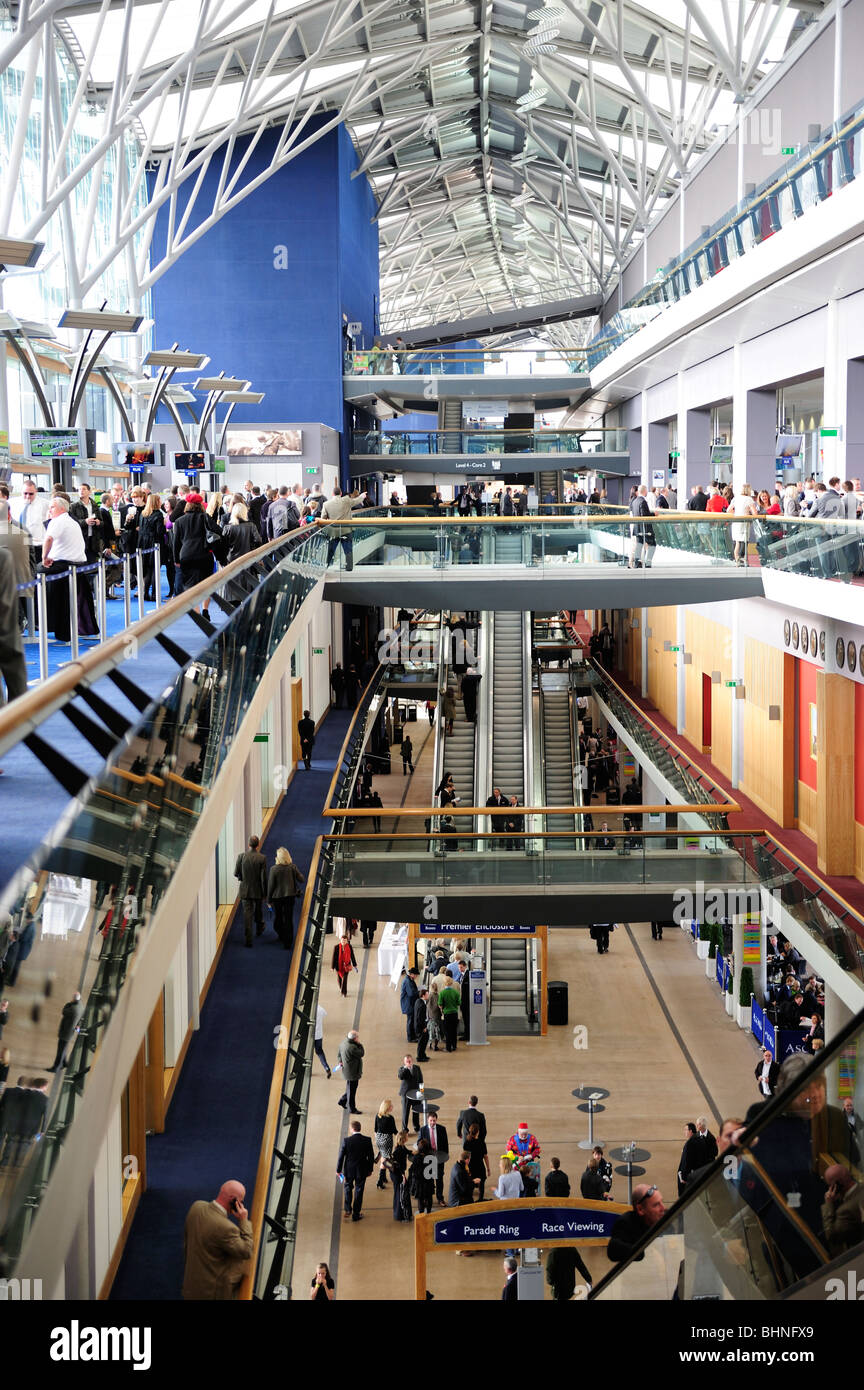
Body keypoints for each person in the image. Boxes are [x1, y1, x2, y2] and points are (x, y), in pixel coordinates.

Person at [182, 1180, 253, 1299]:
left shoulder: (196, 1206)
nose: (241, 1205)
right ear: (233, 1200)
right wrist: (243, 1221)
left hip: (190, 1286)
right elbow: (247, 1251)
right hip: (210, 1293)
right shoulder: (227, 1228)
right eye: (241, 1201)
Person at [607, 1184, 666, 1263]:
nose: (663, 1208)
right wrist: (638, 1253)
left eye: (662, 1202)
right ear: (640, 1209)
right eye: (656, 1205)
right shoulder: (625, 1224)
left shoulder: (664, 1219)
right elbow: (613, 1251)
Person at [820, 1163, 864, 1256]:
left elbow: (831, 1235)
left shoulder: (845, 1211)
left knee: (851, 1271)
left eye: (829, 1186)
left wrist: (829, 1203)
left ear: (837, 1185)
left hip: (857, 1258)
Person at [337, 1118, 375, 1222]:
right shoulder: (367, 1140)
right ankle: (356, 1214)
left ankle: (348, 1209)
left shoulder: (347, 1141)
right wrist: (370, 1169)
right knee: (359, 1191)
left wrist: (338, 1170)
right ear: (359, 1128)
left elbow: (341, 1156)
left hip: (349, 1170)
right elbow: (371, 1157)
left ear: (352, 1129)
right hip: (362, 1170)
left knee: (348, 1188)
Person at [267, 847, 304, 950]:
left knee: (278, 918)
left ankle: (282, 935)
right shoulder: (292, 867)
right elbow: (301, 879)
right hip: (289, 897)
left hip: (277, 898)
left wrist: (268, 900)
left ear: (278, 858)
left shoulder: (273, 869)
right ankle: (288, 941)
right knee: (288, 919)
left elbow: (271, 886)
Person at [234, 835, 268, 948]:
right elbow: (263, 878)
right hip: (257, 890)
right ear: (257, 845)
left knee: (247, 915)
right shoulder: (262, 858)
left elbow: (235, 873)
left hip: (245, 890)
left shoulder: (241, 856)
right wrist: (265, 893)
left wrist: (242, 878)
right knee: (258, 911)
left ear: (249, 845)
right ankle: (259, 927)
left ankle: (249, 939)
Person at [418, 1111, 449, 1205]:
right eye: (431, 1120)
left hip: (439, 1159)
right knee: (428, 1180)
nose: (432, 1123)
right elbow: (419, 1143)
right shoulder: (423, 1130)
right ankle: (427, 1198)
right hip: (428, 1160)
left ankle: (440, 1198)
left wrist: (445, 1156)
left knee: (439, 1179)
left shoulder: (442, 1129)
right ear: (427, 1120)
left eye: (434, 1121)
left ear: (436, 1120)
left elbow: (445, 1144)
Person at [47, 991, 82, 1072]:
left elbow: (63, 1011)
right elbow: (80, 1019)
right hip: (70, 1032)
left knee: (61, 1050)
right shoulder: (81, 1007)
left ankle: (56, 1067)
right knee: (64, 1048)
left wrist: (69, 1003)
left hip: (65, 1032)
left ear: (74, 999)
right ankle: (64, 1062)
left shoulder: (73, 1008)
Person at [336, 1029, 364, 1113]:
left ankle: (342, 1100)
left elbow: (339, 1055)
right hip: (352, 1072)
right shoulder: (352, 1047)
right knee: (352, 1090)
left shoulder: (343, 1043)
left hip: (347, 1070)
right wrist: (359, 1044)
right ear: (354, 1039)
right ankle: (352, 1109)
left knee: (350, 1088)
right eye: (357, 1037)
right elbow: (362, 1053)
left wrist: (340, 1061)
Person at [374, 1099, 398, 1189]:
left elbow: (375, 1130)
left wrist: (378, 1140)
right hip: (387, 1140)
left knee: (383, 1157)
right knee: (385, 1160)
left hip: (379, 1139)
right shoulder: (390, 1118)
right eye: (391, 1106)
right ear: (387, 1108)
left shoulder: (377, 1116)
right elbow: (394, 1131)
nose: (392, 1107)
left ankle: (383, 1178)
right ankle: (380, 1181)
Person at [463, 1123, 490, 1201]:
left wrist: (465, 1168)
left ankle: (470, 1199)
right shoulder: (482, 1143)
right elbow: (486, 1157)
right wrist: (488, 1169)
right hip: (480, 1166)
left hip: (471, 1166)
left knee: (471, 1184)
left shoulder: (467, 1142)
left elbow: (465, 1157)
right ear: (478, 1132)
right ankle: (480, 1199)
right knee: (481, 1185)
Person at [409, 1138, 435, 1215]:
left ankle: (421, 1214)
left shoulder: (416, 1158)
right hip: (428, 1182)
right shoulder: (431, 1157)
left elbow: (414, 1171)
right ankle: (429, 1212)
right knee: (429, 1197)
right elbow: (433, 1172)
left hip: (419, 1183)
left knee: (420, 1199)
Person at [398, 1054, 423, 1132]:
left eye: (410, 1061)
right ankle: (404, 1129)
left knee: (416, 1111)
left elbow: (421, 1081)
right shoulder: (402, 1069)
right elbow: (400, 1076)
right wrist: (406, 1068)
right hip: (406, 1094)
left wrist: (421, 1092)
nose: (409, 1062)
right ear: (404, 1062)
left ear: (412, 1061)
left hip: (416, 1094)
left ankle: (417, 1127)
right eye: (407, 1061)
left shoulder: (417, 1068)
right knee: (405, 1112)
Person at [438, 975, 461, 1052]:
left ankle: (448, 1047)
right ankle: (454, 1046)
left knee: (447, 1031)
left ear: (444, 983)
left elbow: (440, 1004)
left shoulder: (442, 993)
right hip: (454, 1013)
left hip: (446, 1014)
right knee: (454, 1030)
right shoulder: (456, 992)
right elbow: (459, 1003)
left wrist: (443, 1008)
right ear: (451, 983)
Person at [331, 932, 357, 997]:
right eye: (342, 940)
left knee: (345, 979)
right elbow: (334, 957)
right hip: (338, 965)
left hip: (347, 966)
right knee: (339, 978)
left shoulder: (349, 947)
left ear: (347, 941)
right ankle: (341, 988)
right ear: (340, 940)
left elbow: (352, 956)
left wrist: (354, 964)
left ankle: (344, 992)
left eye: (345, 940)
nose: (343, 942)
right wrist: (332, 967)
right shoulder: (336, 947)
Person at [400, 967, 420, 1042]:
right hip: (408, 1004)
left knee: (411, 1020)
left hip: (409, 1003)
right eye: (416, 975)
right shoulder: (408, 982)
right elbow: (411, 993)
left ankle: (413, 1035)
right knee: (410, 1021)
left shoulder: (409, 980)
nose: (416, 977)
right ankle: (410, 1038)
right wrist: (419, 992)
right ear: (411, 974)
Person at [314, 1003, 331, 1078]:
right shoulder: (320, 1009)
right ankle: (326, 1068)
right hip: (318, 1035)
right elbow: (325, 1014)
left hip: (310, 1035)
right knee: (319, 1052)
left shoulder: (310, 1010)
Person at [413, 989, 430, 1063]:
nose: (428, 995)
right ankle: (420, 1057)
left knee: (425, 1040)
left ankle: (423, 1054)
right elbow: (420, 1018)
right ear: (423, 995)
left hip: (419, 1025)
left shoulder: (418, 1001)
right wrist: (424, 1027)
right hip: (421, 1027)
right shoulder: (422, 1005)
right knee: (422, 1042)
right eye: (427, 994)